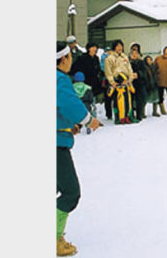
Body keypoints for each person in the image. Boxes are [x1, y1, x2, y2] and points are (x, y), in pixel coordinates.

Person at [56, 41, 102, 256]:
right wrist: (87, 120)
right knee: (70, 192)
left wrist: (67, 126)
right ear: (63, 59)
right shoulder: (60, 80)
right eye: (70, 56)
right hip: (55, 146)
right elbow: (68, 103)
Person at [104, 40, 135, 124]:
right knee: (118, 101)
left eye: (121, 46)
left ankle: (127, 116)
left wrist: (130, 79)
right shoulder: (110, 58)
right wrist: (112, 82)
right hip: (117, 81)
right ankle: (118, 118)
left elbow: (129, 69)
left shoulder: (124, 57)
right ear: (114, 47)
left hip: (126, 81)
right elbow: (108, 72)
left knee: (127, 101)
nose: (120, 48)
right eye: (118, 46)